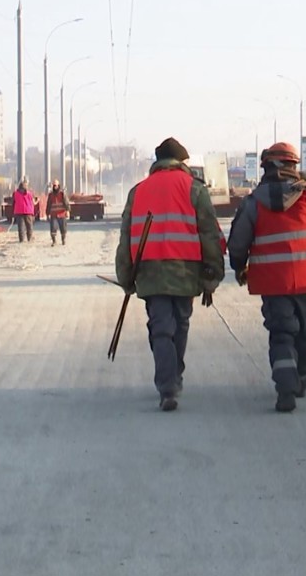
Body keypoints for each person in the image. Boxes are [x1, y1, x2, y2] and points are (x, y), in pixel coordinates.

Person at [227, 142, 306, 413]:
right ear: (294, 167)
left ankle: (285, 388)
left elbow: (237, 242)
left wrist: (239, 266)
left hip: (273, 282)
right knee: (305, 332)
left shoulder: (254, 202)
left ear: (267, 167)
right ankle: (302, 380)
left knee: (282, 334)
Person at [115, 137, 225, 412]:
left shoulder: (138, 191)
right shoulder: (195, 190)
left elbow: (126, 237)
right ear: (181, 162)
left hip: (150, 271)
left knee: (161, 328)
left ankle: (167, 385)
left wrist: (126, 276)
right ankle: (173, 376)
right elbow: (209, 234)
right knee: (181, 324)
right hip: (185, 271)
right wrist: (212, 272)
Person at [46, 179, 71, 246]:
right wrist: (47, 214)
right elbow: (48, 205)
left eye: (56, 185)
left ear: (58, 185)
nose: (55, 187)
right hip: (54, 215)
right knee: (53, 229)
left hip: (62, 214)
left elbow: (66, 203)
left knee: (63, 229)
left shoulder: (62, 194)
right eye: (54, 185)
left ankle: (63, 240)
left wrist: (68, 211)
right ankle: (54, 241)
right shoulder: (50, 195)